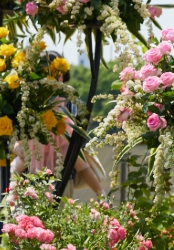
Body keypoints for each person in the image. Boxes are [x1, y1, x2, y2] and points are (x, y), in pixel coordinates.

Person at [11, 52, 104, 196]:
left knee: (78, 162)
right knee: (19, 165)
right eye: (47, 74)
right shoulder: (29, 98)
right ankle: (10, 200)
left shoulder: (66, 97)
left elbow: (78, 133)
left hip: (62, 152)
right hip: (33, 154)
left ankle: (102, 195)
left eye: (57, 75)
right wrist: (18, 149)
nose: (53, 80)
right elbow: (15, 133)